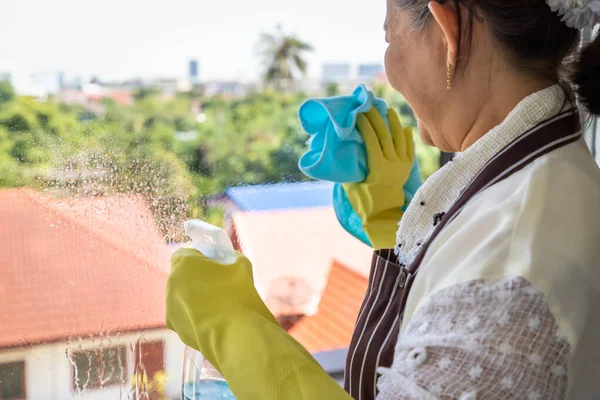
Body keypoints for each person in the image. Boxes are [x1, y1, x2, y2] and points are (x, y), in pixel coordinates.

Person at [166, 0, 600, 399]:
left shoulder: (506, 267)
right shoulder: (545, 176)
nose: (387, 67)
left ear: (448, 32)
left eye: (389, 36)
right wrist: (399, 234)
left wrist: (233, 328)